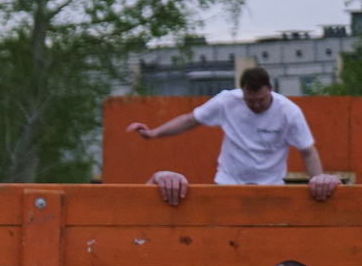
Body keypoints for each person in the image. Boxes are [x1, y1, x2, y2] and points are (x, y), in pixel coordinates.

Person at [130, 66, 340, 207]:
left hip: (269, 187)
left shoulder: (288, 111)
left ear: (271, 90)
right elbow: (189, 120)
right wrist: (154, 133)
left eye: (261, 100)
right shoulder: (227, 102)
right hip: (228, 183)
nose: (256, 105)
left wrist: (317, 183)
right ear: (242, 92)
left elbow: (307, 150)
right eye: (251, 101)